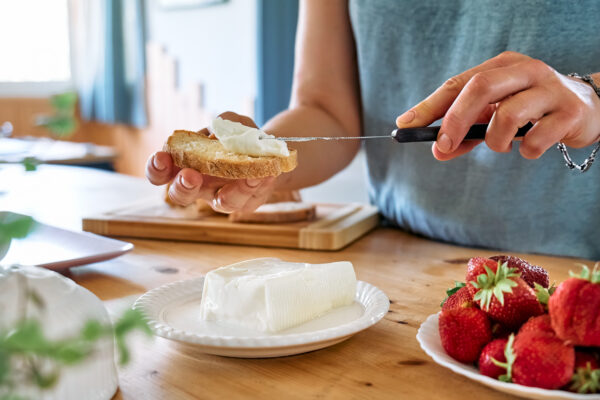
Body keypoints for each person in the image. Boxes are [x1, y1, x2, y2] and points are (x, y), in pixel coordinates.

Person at [146, 1, 600, 259]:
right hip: (400, 256)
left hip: (579, 269)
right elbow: (324, 108)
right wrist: (262, 164)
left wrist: (590, 96)